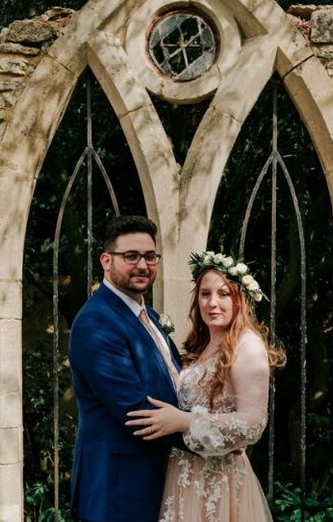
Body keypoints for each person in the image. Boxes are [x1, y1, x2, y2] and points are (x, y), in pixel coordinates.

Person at [126, 250, 286, 522]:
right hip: (184, 475)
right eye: (205, 294)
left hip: (218, 482)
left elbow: (253, 423)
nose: (213, 303)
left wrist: (184, 422)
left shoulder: (246, 345)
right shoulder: (204, 345)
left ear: (241, 299)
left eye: (224, 294)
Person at [67, 215, 185, 522]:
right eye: (130, 256)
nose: (142, 265)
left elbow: (173, 384)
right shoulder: (96, 322)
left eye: (149, 256)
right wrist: (213, 435)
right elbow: (137, 412)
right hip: (117, 490)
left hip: (152, 480)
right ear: (106, 260)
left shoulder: (151, 317)